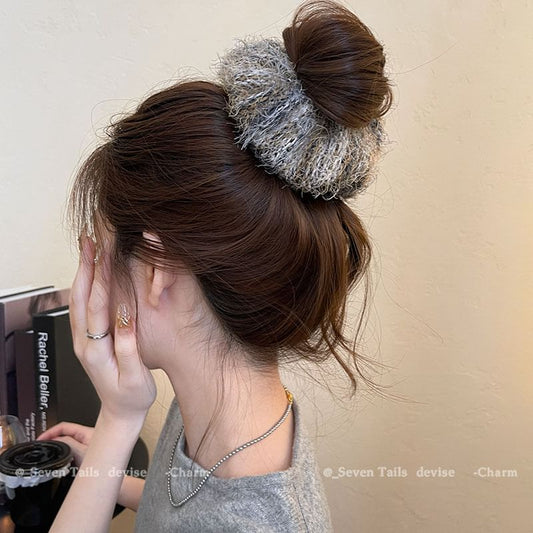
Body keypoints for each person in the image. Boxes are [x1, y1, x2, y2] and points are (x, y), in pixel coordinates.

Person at [37, 0, 394, 531]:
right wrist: (107, 470)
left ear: (157, 272)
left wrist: (117, 419)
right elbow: (186, 505)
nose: (92, 281)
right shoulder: (226, 399)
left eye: (102, 255)